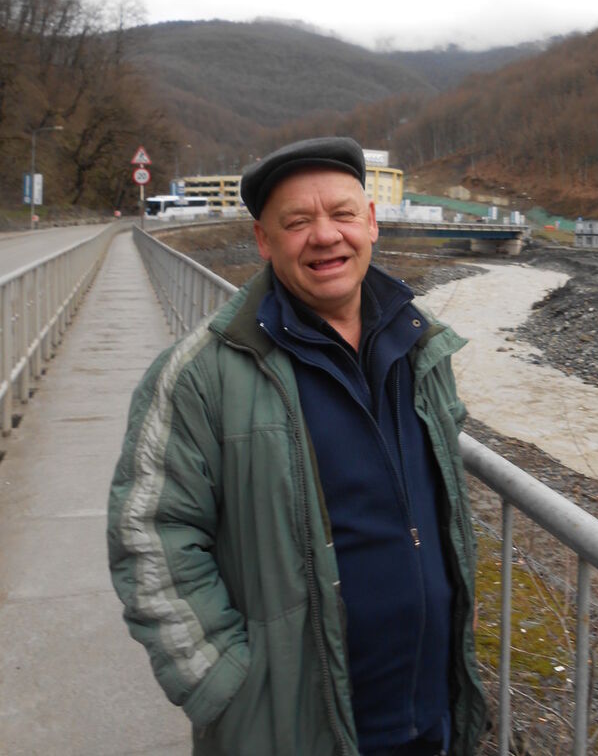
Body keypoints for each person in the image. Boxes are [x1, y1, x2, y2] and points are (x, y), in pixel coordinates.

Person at [107, 136, 486, 756]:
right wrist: (225, 685)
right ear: (263, 240)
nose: (325, 236)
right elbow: (147, 535)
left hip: (430, 716)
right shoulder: (201, 374)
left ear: (371, 222)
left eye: (342, 214)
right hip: (288, 729)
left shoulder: (421, 346)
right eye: (298, 222)